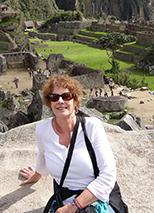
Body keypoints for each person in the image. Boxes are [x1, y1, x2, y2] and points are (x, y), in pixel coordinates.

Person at [20, 74, 117, 213]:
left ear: (75, 101)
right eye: (54, 97)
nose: (60, 101)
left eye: (66, 96)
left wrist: (73, 207)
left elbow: (108, 175)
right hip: (63, 201)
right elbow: (43, 155)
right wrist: (36, 175)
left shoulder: (91, 127)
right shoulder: (42, 130)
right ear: (50, 103)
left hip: (96, 200)